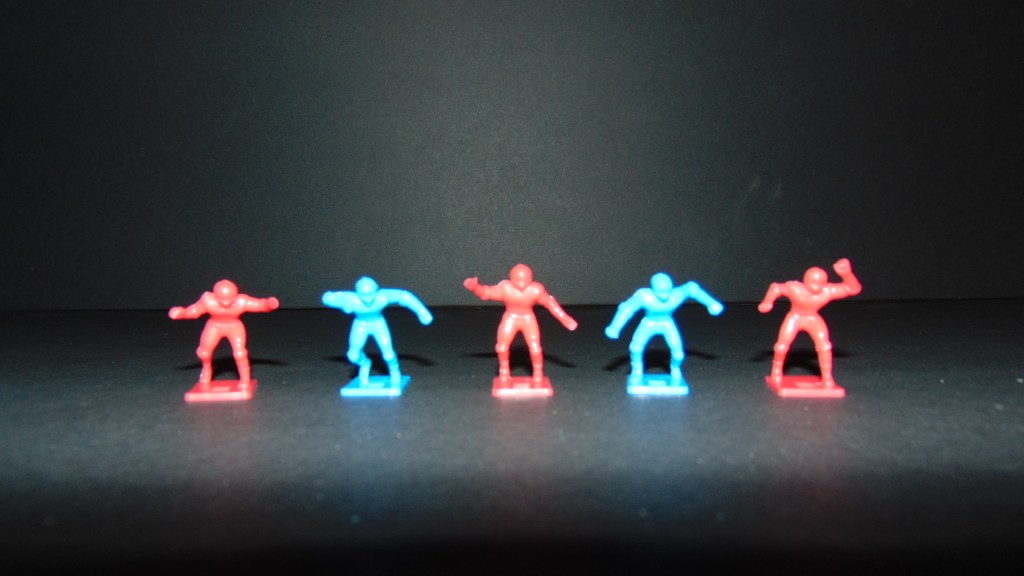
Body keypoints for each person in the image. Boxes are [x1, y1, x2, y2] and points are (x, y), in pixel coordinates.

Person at [464, 264, 577, 385]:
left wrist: (564, 318)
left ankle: (538, 373)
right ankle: (504, 371)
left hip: (528, 319)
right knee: (502, 347)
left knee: (535, 349)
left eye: (526, 279)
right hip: (511, 318)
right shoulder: (505, 288)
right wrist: (475, 288)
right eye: (518, 280)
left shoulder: (536, 290)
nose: (522, 284)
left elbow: (550, 303)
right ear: (511, 279)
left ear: (531, 278)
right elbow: (487, 292)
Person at [758, 258, 861, 387]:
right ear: (805, 281)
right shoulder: (795, 288)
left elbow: (853, 289)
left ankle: (827, 377)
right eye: (812, 283)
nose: (816, 287)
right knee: (781, 346)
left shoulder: (827, 291)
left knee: (824, 346)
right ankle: (776, 371)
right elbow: (776, 288)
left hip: (812, 318)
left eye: (820, 283)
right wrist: (767, 302)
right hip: (794, 317)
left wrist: (847, 274)